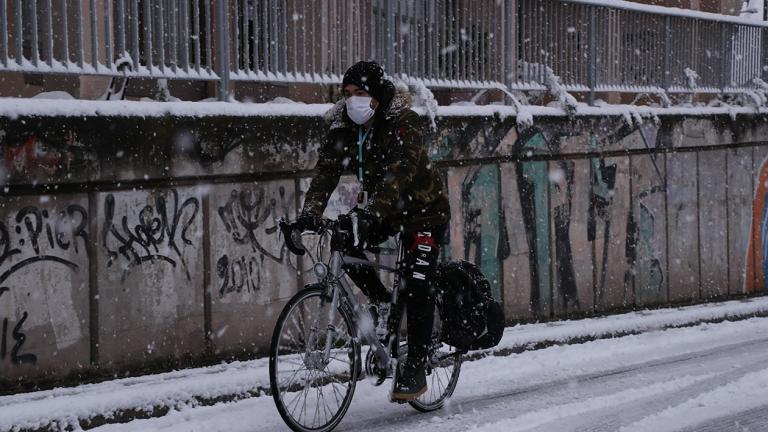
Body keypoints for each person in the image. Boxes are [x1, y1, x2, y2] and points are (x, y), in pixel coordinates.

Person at [296, 61, 450, 401]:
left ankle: (417, 365)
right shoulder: (345, 127)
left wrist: (368, 213)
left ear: (377, 94)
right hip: (384, 210)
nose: (353, 101)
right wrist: (309, 214)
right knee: (343, 240)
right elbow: (326, 171)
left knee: (417, 282)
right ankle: (382, 302)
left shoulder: (403, 123)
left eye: (361, 93)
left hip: (424, 213)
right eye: (348, 94)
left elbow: (400, 172)